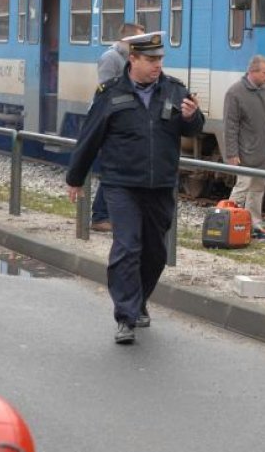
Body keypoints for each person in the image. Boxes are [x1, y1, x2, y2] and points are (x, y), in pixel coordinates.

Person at [66, 32, 204, 344]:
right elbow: (91, 137)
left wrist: (192, 118)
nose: (158, 65)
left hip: (160, 185)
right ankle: (125, 316)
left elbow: (194, 129)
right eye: (151, 59)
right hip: (121, 183)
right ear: (134, 60)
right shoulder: (110, 93)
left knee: (155, 252)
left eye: (160, 59)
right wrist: (75, 177)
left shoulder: (175, 90)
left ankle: (139, 299)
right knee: (127, 247)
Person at [90, 22, 145, 233]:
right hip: (110, 122)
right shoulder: (110, 58)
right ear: (128, 40)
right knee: (112, 169)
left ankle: (109, 215)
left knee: (119, 169)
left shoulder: (127, 58)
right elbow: (106, 92)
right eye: (139, 40)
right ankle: (100, 216)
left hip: (123, 120)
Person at [223, 55, 265, 233]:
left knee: (258, 189)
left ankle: (254, 224)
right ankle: (228, 221)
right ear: (253, 72)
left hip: (263, 152)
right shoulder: (235, 93)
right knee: (242, 187)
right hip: (245, 153)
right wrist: (231, 153)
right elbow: (230, 126)